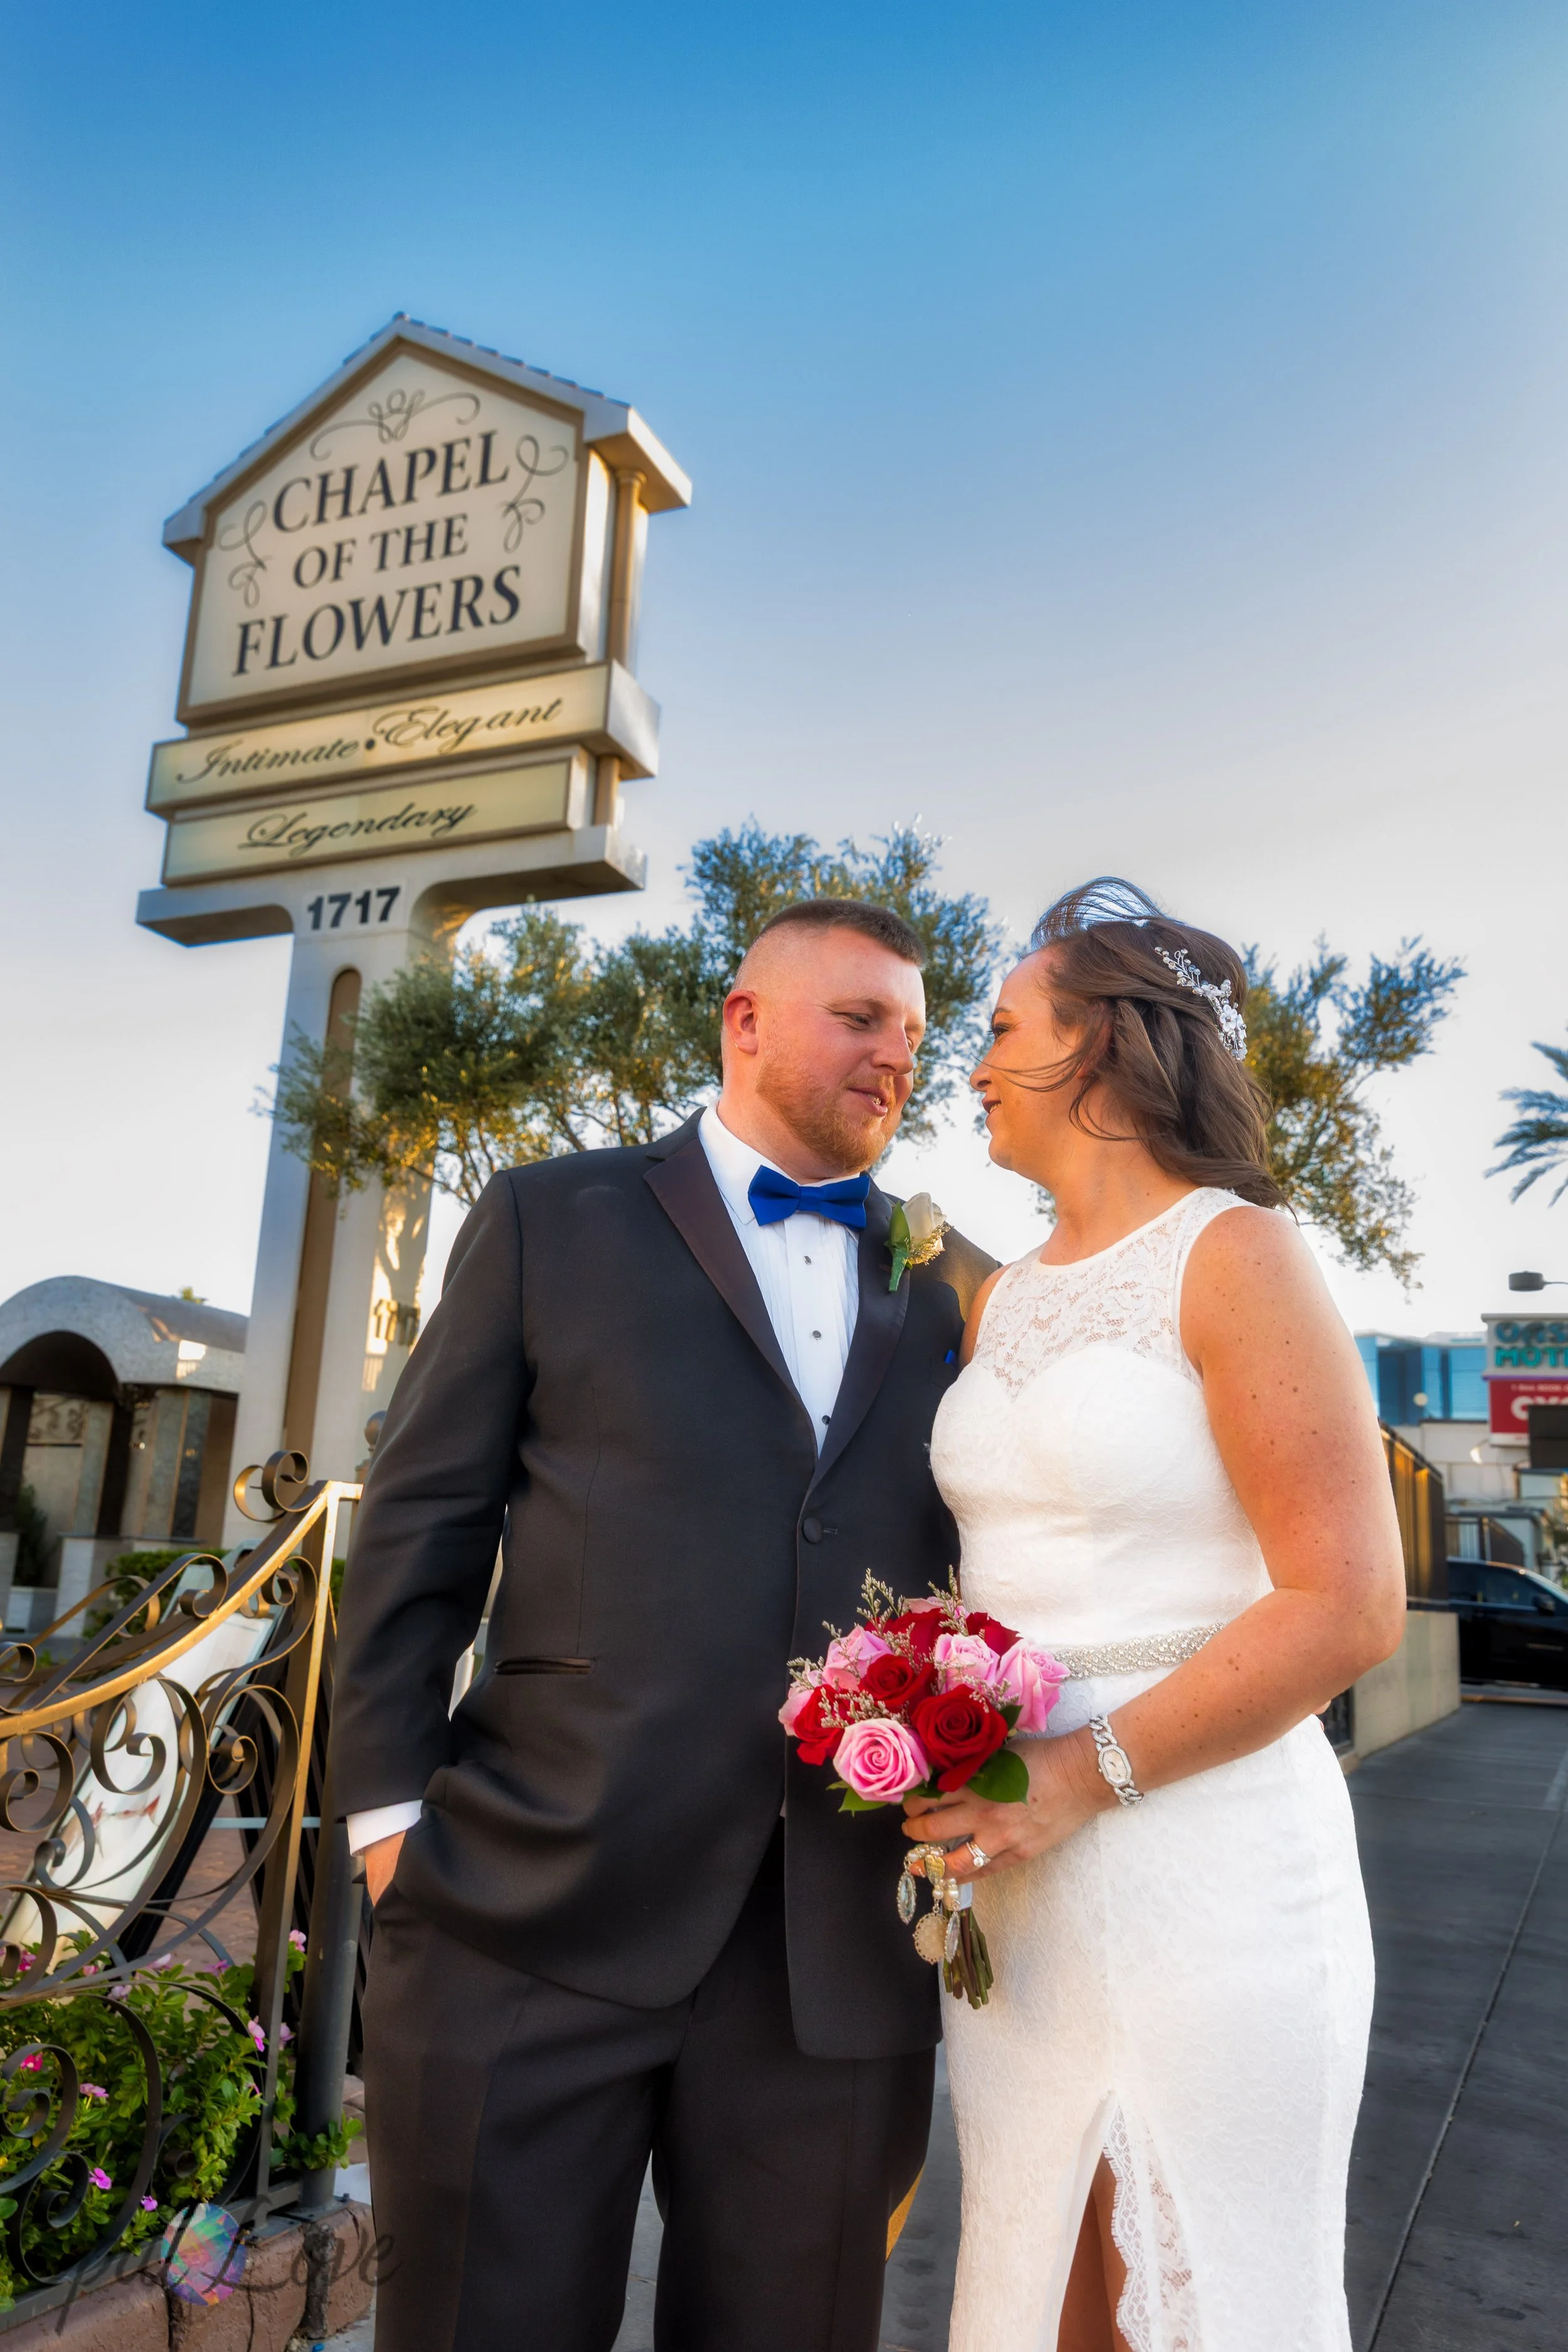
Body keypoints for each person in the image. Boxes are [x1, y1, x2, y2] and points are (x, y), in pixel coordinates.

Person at [331, 897, 995, 2352]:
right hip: (528, 1904)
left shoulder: (959, 1283)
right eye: (861, 1017)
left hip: (834, 1949)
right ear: (743, 1020)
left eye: (915, 1034)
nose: (897, 1058)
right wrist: (389, 1828)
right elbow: (415, 1531)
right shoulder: (544, 1218)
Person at [903, 877, 1406, 2352]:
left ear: (1101, 1048)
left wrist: (1074, 1774)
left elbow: (1347, 1603)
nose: (973, 1062)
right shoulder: (995, 1304)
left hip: (1208, 1867)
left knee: (1191, 2295)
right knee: (1032, 2268)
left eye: (1000, 1029)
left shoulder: (1237, 1255)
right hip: (1016, 1888)